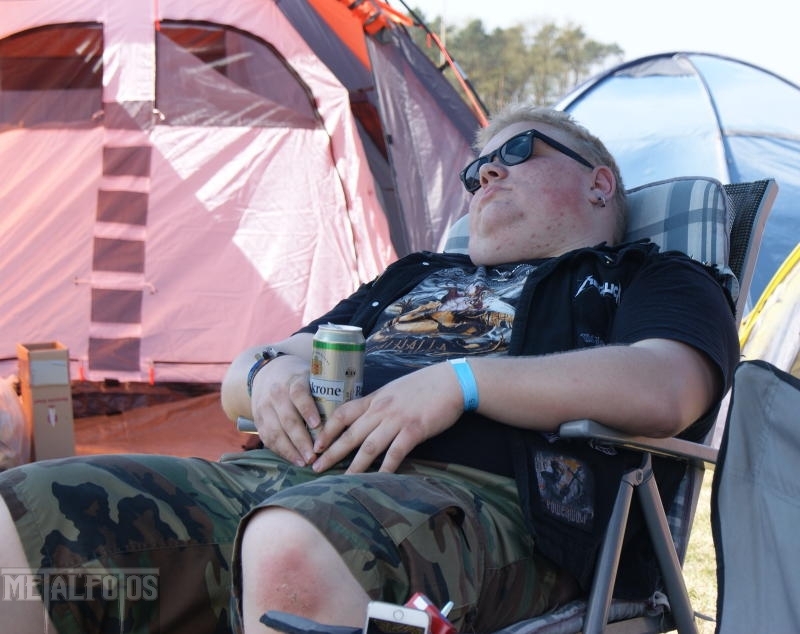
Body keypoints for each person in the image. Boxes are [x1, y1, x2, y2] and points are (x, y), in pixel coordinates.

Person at [0, 103, 739, 634]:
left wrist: (462, 383)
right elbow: (253, 368)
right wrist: (266, 377)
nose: (485, 175)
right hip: (279, 477)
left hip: (492, 506)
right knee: (26, 507)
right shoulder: (417, 275)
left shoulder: (646, 275)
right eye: (474, 169)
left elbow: (667, 385)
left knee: (295, 543)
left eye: (516, 152)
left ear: (599, 184)